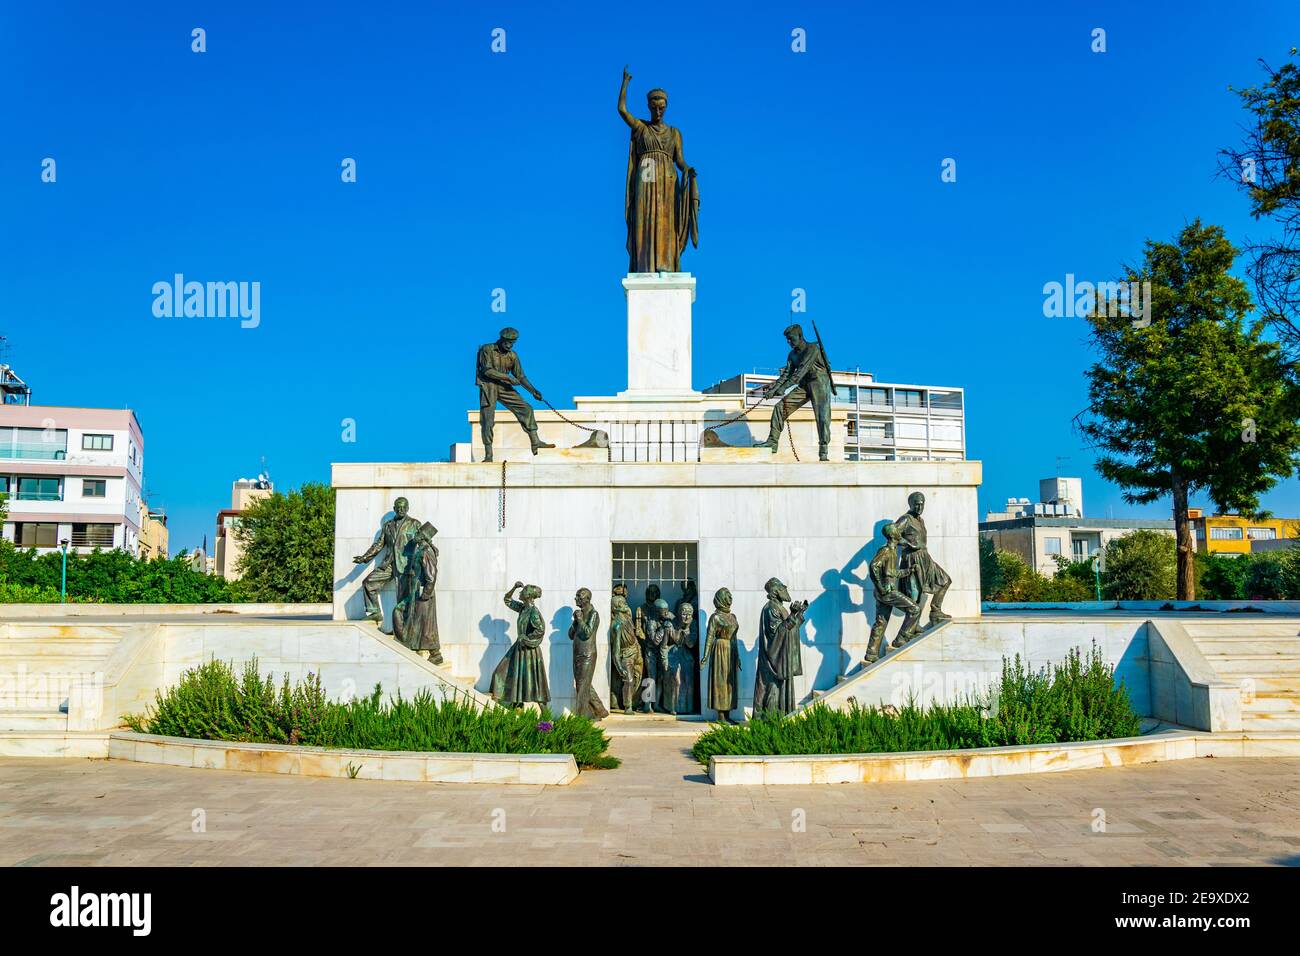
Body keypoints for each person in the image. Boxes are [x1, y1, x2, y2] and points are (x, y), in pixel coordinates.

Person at [617, 65, 698, 273]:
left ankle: (666, 264)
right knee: (644, 218)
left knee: (666, 220)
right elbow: (622, 110)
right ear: (648, 107)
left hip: (667, 179)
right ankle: (645, 265)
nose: (658, 111)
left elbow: (680, 160)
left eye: (662, 107)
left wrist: (688, 169)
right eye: (654, 108)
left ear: (666, 107)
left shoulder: (674, 133)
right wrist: (625, 83)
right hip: (646, 175)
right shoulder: (641, 128)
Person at [476, 327, 554, 462]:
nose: (509, 345)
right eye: (507, 342)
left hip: (504, 386)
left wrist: (533, 391)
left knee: (526, 408)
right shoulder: (487, 349)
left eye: (512, 342)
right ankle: (488, 455)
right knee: (488, 420)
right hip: (489, 386)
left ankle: (535, 442)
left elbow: (520, 376)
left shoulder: (512, 355)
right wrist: (508, 378)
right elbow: (487, 371)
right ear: (501, 339)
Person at [760, 324, 834, 461]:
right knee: (779, 407)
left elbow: (799, 373)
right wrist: (773, 390)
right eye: (787, 339)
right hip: (804, 385)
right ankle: (772, 442)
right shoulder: (792, 355)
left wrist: (782, 389)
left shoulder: (812, 349)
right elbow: (786, 374)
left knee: (822, 418)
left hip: (819, 383)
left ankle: (823, 451)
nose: (788, 342)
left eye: (791, 338)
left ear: (800, 336)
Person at [352, 497, 422, 624]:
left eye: (403, 507)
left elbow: (424, 542)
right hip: (388, 564)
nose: (401, 509)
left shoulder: (415, 523)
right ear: (394, 509)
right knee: (368, 583)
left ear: (407, 508)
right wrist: (364, 558)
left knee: (403, 598)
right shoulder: (387, 526)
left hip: (406, 565)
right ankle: (375, 612)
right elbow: (379, 544)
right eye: (398, 507)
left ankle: (405, 626)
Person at [864, 523, 921, 664]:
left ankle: (871, 653)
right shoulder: (886, 551)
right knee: (914, 609)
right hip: (887, 592)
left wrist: (908, 571)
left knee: (881, 622)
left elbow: (891, 572)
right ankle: (901, 638)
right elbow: (873, 567)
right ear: (893, 535)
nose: (899, 533)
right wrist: (881, 586)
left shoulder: (893, 550)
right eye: (897, 531)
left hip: (885, 591)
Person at [896, 492, 952, 629]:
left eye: (922, 504)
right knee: (915, 596)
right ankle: (908, 630)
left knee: (944, 580)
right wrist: (908, 544)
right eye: (916, 504)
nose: (920, 507)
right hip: (913, 559)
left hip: (925, 557)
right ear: (910, 504)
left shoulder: (920, 520)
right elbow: (890, 532)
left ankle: (935, 611)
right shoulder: (906, 519)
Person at [390, 521, 443, 664]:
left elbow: (431, 575)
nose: (416, 534)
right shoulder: (421, 549)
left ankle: (435, 653)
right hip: (417, 592)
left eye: (419, 533)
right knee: (418, 621)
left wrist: (426, 594)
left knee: (425, 623)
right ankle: (412, 645)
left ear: (424, 536)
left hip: (423, 594)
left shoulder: (425, 551)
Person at [752, 577, 807, 715]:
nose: (786, 590)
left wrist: (799, 614)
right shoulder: (771, 609)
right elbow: (776, 635)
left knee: (778, 690)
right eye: (783, 588)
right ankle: (770, 721)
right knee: (773, 690)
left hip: (783, 658)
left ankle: (779, 718)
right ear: (776, 591)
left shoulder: (780, 608)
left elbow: (789, 629)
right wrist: (792, 615)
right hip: (774, 662)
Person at [491, 581, 550, 707]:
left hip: (529, 651)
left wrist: (526, 638)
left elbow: (540, 630)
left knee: (533, 683)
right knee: (500, 673)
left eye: (522, 591)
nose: (520, 592)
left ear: (528, 596)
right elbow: (507, 600)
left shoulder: (533, 611)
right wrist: (514, 587)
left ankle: (545, 717)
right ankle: (516, 707)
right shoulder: (523, 608)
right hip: (520, 648)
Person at [699, 587, 741, 722]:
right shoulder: (715, 617)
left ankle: (728, 714)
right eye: (727, 596)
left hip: (731, 650)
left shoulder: (733, 617)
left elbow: (734, 637)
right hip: (720, 651)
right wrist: (705, 656)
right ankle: (721, 716)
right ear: (721, 598)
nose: (730, 598)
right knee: (721, 682)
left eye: (731, 596)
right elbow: (709, 637)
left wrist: (738, 656)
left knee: (730, 683)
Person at [569, 587, 609, 719]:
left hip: (587, 654)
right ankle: (599, 710)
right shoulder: (579, 614)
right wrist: (576, 621)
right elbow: (570, 635)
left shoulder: (593, 614)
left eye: (578, 596)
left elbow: (587, 633)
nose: (576, 599)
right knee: (583, 684)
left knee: (582, 686)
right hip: (577, 653)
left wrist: (580, 620)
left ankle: (582, 717)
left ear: (586, 599)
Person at [609, 593, 643, 714]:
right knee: (628, 680)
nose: (626, 605)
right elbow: (616, 650)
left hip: (636, 650)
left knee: (638, 677)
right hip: (625, 654)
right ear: (616, 607)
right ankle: (627, 706)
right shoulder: (617, 625)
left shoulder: (627, 617)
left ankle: (634, 701)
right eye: (623, 603)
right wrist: (619, 667)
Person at [662, 602, 697, 715]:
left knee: (687, 681)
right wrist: (664, 660)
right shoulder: (670, 625)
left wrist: (686, 630)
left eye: (689, 614)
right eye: (684, 614)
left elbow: (691, 644)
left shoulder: (693, 624)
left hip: (686, 655)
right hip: (672, 654)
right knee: (676, 681)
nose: (687, 617)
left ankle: (687, 707)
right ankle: (672, 706)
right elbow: (664, 645)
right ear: (678, 613)